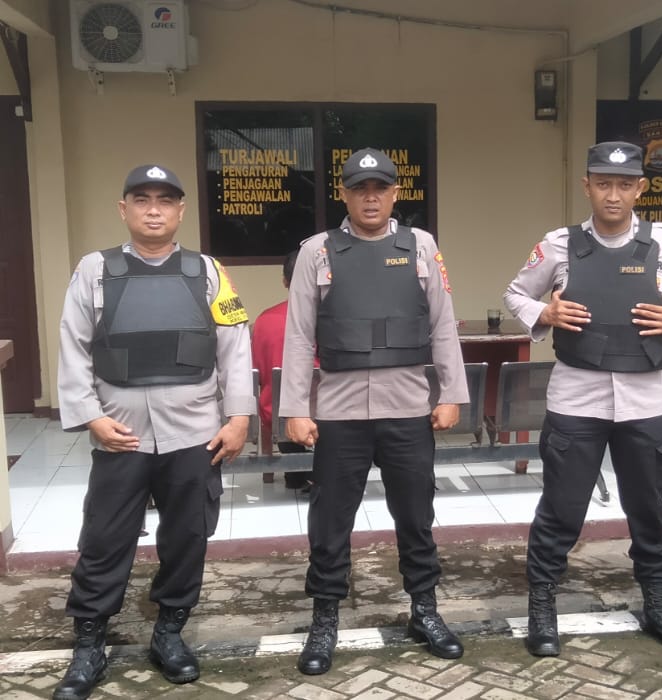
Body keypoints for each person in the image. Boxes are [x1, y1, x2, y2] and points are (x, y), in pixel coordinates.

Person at [53, 164, 253, 700]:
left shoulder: (208, 271)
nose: (154, 209)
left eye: (165, 200)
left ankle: (169, 632)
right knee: (104, 539)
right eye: (142, 199)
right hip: (121, 434)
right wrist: (91, 416)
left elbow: (235, 343)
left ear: (180, 210)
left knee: (188, 536)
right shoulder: (94, 270)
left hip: (195, 434)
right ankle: (89, 644)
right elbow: (73, 343)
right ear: (124, 209)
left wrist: (238, 417)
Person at [503, 141, 662, 657]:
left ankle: (658, 605)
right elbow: (515, 294)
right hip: (577, 399)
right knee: (561, 510)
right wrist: (545, 314)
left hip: (646, 400)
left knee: (649, 510)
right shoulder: (558, 245)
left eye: (624, 184)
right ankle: (542, 610)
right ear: (587, 186)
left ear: (641, 188)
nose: (613, 195)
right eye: (603, 183)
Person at [279, 147, 469, 675]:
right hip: (339, 413)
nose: (370, 198)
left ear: (395, 193)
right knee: (330, 522)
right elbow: (299, 336)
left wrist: (451, 394)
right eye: (359, 189)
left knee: (416, 516)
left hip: (407, 408)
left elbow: (442, 324)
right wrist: (295, 407)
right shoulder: (317, 252)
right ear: (343, 194)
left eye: (380, 188)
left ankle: (424, 611)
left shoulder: (421, 246)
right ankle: (324, 621)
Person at [250, 248, 312, 489]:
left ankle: (295, 474)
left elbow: (255, 373)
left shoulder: (265, 320)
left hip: (276, 414)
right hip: (329, 415)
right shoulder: (333, 319)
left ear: (285, 281)